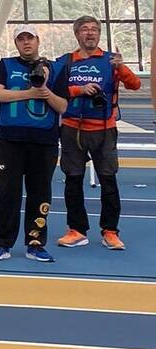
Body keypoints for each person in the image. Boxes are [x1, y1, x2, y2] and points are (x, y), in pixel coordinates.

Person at [55, 15, 141, 251]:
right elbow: (54, 88)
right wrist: (79, 89)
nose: (90, 33)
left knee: (108, 181)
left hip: (104, 129)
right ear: (77, 34)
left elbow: (135, 85)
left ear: (99, 34)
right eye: (85, 29)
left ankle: (110, 231)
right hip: (73, 128)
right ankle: (76, 229)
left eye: (94, 29)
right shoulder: (65, 61)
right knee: (72, 180)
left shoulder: (111, 61)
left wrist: (121, 68)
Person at [0, 25, 69, 263]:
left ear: (38, 40)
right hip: (9, 140)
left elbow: (62, 106)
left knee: (40, 193)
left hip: (44, 141)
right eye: (20, 39)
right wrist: (29, 93)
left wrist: (44, 91)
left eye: (29, 38)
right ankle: (2, 243)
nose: (25, 43)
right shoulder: (6, 65)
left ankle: (35, 243)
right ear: (16, 44)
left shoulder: (56, 68)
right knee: (6, 193)